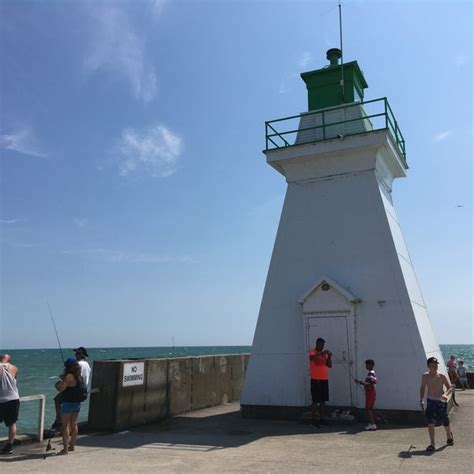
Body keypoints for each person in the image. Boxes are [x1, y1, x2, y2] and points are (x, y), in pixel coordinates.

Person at [419, 356, 453, 452]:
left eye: (436, 365)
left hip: (441, 401)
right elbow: (422, 388)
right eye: (432, 365)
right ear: (428, 366)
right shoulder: (425, 376)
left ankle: (449, 436)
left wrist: (446, 394)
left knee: (445, 420)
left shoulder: (441, 376)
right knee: (430, 422)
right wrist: (421, 399)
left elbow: (450, 387)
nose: (435, 367)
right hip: (430, 401)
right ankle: (432, 444)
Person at [52, 346, 91, 430]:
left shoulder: (78, 364)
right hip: (82, 389)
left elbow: (73, 377)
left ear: (81, 355)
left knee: (57, 400)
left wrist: (63, 377)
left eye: (77, 353)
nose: (75, 355)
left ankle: (59, 420)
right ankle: (61, 421)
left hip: (73, 388)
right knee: (74, 418)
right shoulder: (87, 365)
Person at [55, 358, 86, 455]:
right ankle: (72, 445)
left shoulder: (68, 376)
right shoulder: (79, 376)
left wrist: (58, 383)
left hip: (68, 403)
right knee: (74, 424)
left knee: (65, 427)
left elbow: (61, 389)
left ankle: (65, 450)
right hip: (77, 403)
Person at [308, 337, 332, 427]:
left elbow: (329, 365)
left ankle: (322, 419)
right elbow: (312, 357)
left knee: (323, 400)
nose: (322, 346)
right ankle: (313, 420)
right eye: (320, 344)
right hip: (315, 379)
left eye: (323, 345)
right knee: (315, 400)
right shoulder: (312, 351)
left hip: (324, 379)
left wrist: (329, 357)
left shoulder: (324, 354)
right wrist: (322, 353)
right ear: (317, 344)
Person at [0, 354, 20, 455]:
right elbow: (15, 380)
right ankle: (9, 445)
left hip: (1, 399)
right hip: (13, 397)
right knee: (12, 423)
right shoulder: (14, 368)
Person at [355, 359, 377, 431]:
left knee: (368, 408)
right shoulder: (371, 373)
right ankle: (371, 423)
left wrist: (360, 382)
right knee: (369, 408)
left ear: (371, 365)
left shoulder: (371, 373)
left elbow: (372, 382)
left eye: (367, 365)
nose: (366, 366)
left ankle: (373, 424)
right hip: (370, 392)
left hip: (370, 392)